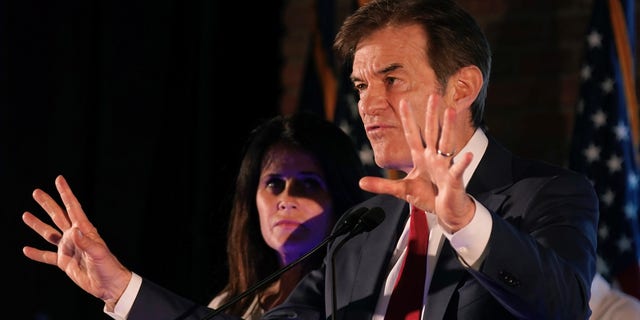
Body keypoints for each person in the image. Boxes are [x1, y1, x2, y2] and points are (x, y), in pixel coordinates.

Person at [22, 0, 600, 319]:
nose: (368, 104)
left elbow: (562, 306)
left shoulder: (548, 194)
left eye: (391, 79)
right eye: (360, 83)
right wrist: (121, 288)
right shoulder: (360, 232)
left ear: (462, 87)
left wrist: (462, 220)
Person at [21, 112, 369, 319]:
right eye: (273, 184)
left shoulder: (354, 297)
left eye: (308, 185)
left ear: (339, 199)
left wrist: (123, 286)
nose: (286, 199)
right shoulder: (231, 301)